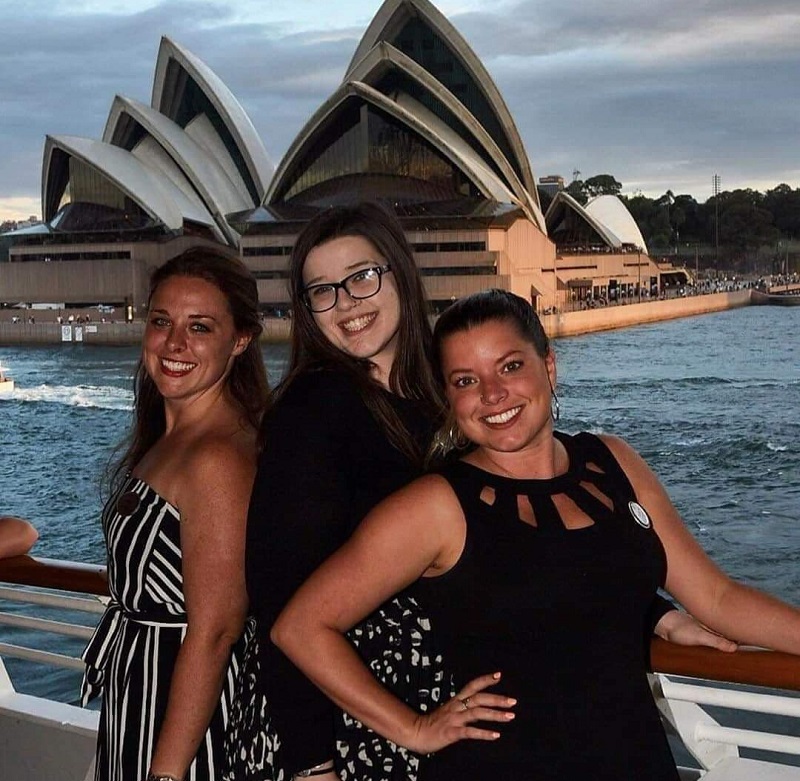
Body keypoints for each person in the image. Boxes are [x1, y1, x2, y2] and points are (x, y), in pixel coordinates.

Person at [234, 204, 728, 781]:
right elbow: (278, 599)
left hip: (438, 708)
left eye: (362, 277)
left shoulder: (439, 396)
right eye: (323, 290)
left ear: (397, 272)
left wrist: (649, 611)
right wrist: (310, 760)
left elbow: (519, 544)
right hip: (350, 725)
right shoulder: (311, 413)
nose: (347, 303)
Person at [81, 247, 269, 781]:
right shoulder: (172, 440)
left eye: (200, 327)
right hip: (140, 697)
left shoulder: (216, 458)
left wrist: (165, 773)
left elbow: (215, 630)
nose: (175, 343)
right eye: (162, 321)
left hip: (183, 722)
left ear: (240, 340)